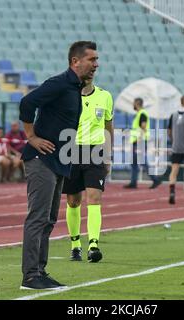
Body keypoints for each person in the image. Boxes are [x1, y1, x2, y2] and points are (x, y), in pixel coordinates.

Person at [19, 41, 98, 290]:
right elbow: (27, 103)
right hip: (41, 159)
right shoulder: (59, 83)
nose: (96, 64)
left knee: (49, 220)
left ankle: (39, 272)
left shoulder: (75, 88)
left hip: (59, 162)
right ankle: (30, 276)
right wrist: (31, 137)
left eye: (96, 60)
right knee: (38, 218)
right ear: (75, 61)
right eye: (91, 60)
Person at [62, 78, 114, 263]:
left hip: (95, 152)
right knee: (73, 201)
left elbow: (108, 126)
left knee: (94, 197)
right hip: (72, 149)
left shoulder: (105, 96)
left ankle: (93, 245)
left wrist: (108, 155)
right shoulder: (67, 97)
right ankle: (75, 245)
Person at [123, 98, 161, 189]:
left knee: (142, 162)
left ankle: (155, 179)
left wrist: (139, 140)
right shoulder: (140, 114)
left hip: (139, 141)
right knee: (134, 163)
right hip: (137, 141)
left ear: (137, 103)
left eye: (134, 103)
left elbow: (143, 127)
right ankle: (133, 182)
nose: (133, 105)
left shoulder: (142, 114)